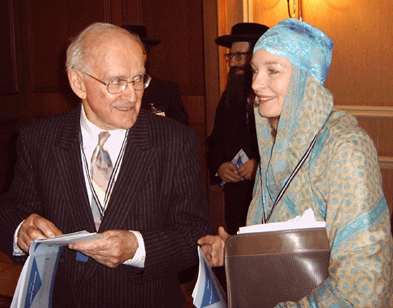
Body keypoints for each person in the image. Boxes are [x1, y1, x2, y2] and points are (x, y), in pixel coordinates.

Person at [0, 22, 212, 308]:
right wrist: (21, 230)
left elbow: (194, 233)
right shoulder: (38, 140)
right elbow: (11, 208)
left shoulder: (175, 141)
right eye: (116, 82)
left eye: (138, 79)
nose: (131, 95)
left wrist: (136, 247)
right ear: (78, 82)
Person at [199, 18, 393, 306]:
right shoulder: (276, 143)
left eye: (272, 71)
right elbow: (290, 242)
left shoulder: (345, 148)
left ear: (306, 79)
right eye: (255, 70)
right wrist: (231, 251)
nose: (256, 83)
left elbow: (363, 283)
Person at [206, 22, 268, 234]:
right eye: (231, 56)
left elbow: (288, 144)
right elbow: (215, 140)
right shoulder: (229, 95)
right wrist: (220, 166)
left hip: (264, 194)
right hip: (235, 194)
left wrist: (259, 164)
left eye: (242, 56)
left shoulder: (275, 95)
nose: (234, 63)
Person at [121, 25, 189, 126]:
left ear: (146, 56)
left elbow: (182, 131)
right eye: (125, 53)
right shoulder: (107, 90)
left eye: (138, 53)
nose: (132, 59)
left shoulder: (167, 91)